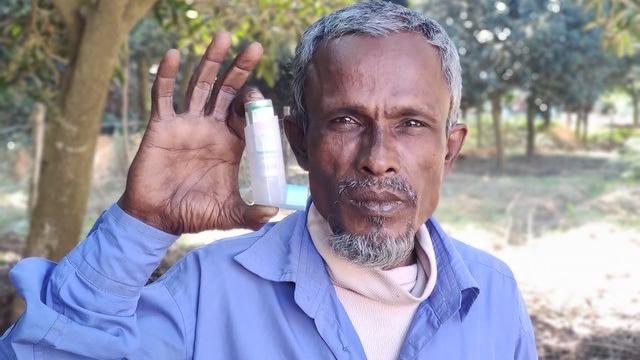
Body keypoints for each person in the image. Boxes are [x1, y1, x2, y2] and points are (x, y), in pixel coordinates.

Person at [1, 1, 537, 359]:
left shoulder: (492, 295)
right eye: (346, 120)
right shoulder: (209, 289)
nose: (379, 159)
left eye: (411, 124)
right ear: (299, 141)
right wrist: (140, 225)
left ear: (450, 148)